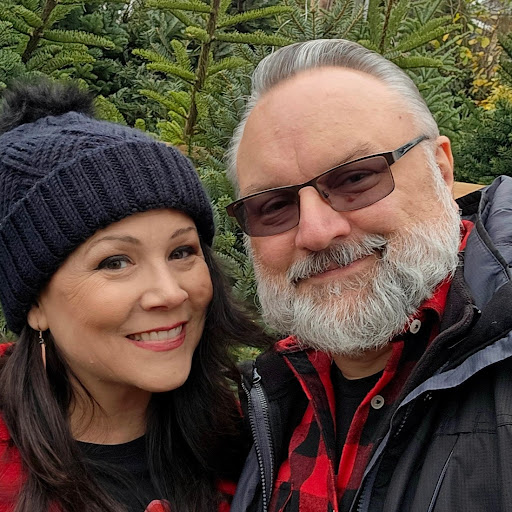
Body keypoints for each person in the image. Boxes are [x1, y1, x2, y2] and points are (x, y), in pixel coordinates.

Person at [225, 39, 512, 512]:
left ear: (441, 170)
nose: (316, 233)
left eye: (356, 178)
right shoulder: (264, 400)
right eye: (274, 206)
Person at [0, 80, 268, 512]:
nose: (169, 292)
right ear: (35, 304)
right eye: (115, 262)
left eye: (182, 252)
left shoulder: (260, 441)